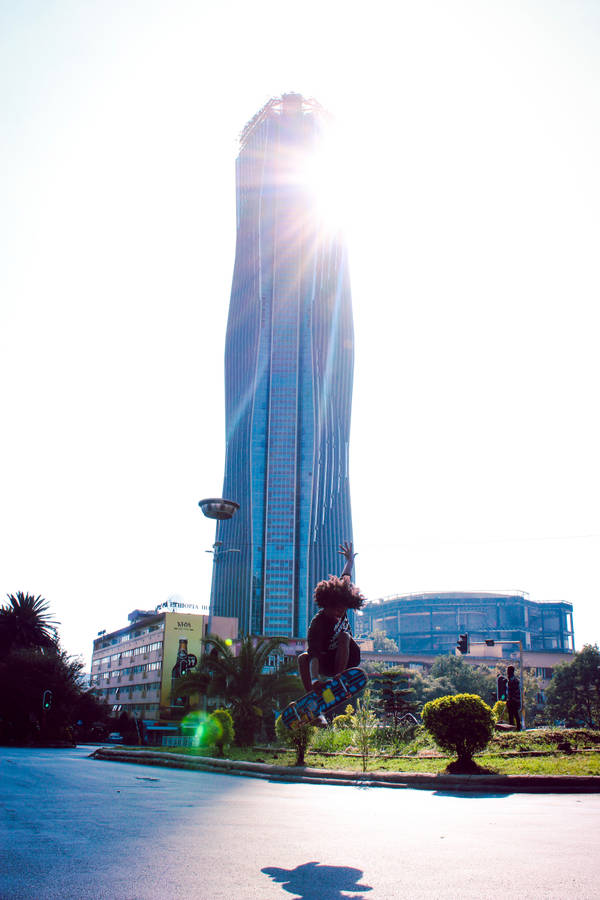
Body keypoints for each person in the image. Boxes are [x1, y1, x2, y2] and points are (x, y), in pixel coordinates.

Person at [297, 542, 366, 721]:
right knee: (302, 658)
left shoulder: (341, 601)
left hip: (349, 657)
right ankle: (313, 699)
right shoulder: (317, 625)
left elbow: (345, 578)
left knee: (344, 635)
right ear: (326, 605)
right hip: (326, 662)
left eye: (343, 611)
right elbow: (313, 657)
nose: (340, 614)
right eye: (336, 610)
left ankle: (339, 678)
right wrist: (315, 680)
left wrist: (350, 561)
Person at [506, 665, 522, 731]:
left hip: (515, 701)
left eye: (508, 671)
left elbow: (515, 691)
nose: (507, 672)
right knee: (511, 715)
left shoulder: (515, 681)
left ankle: (518, 728)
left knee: (515, 714)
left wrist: (511, 698)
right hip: (511, 700)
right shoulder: (509, 680)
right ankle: (511, 728)